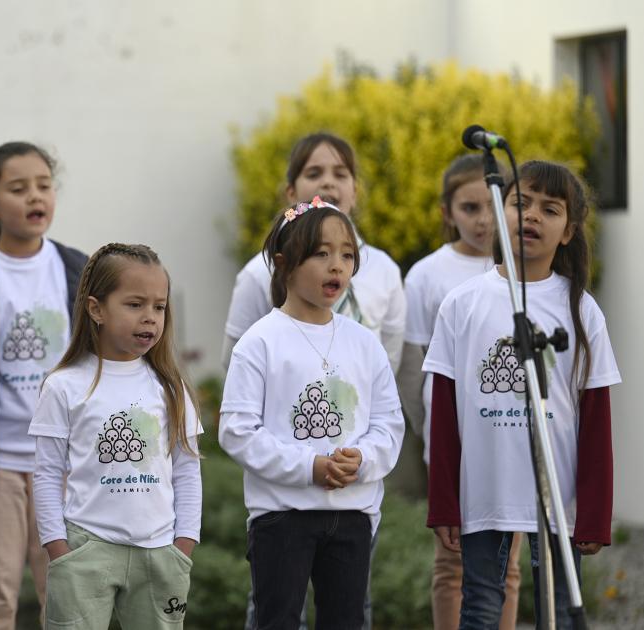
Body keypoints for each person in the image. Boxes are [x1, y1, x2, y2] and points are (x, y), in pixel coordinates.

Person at [425, 161, 621, 629]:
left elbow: (596, 417)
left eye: (549, 209)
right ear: (499, 213)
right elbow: (444, 412)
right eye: (521, 203)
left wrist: (594, 512)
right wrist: (444, 502)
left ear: (568, 231)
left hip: (559, 500)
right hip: (484, 493)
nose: (532, 216)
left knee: (560, 613)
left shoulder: (582, 310)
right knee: (481, 609)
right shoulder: (463, 303)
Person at [222, 131, 405, 629]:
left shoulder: (363, 342)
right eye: (321, 254)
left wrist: (362, 459)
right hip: (282, 514)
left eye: (346, 256)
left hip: (353, 512)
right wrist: (311, 466)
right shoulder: (261, 341)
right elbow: (237, 429)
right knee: (276, 619)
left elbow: (388, 422)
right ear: (282, 264)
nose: (337, 266)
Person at [29, 243, 202, 629]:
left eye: (159, 307)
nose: (150, 318)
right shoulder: (63, 386)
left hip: (160, 555)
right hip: (84, 551)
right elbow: (46, 474)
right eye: (135, 304)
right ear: (96, 309)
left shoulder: (171, 388)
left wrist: (183, 546)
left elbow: (187, 470)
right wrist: (59, 550)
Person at [0, 141, 86, 628]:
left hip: (66, 461)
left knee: (70, 597)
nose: (35, 197)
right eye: (19, 188)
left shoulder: (79, 268)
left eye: (44, 186)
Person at [398, 153, 522, 629]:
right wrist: (432, 430)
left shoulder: (521, 271)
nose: (483, 219)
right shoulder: (428, 274)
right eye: (470, 208)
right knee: (452, 562)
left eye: (492, 206)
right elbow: (413, 368)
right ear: (447, 212)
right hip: (452, 444)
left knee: (506, 565)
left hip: (508, 436)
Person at [222, 131, 405, 373]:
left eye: (340, 174)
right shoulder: (259, 273)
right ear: (291, 193)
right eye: (313, 173)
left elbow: (390, 362)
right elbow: (236, 362)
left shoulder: (384, 270)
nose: (328, 182)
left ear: (355, 192)